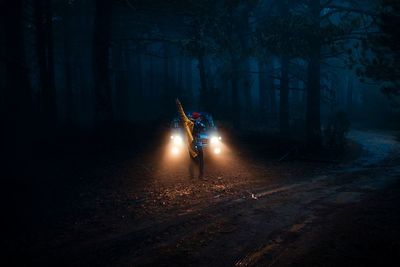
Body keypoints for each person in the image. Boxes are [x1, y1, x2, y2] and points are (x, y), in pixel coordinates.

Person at [175, 99, 206, 179]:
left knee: (201, 161)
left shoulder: (200, 124)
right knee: (194, 160)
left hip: (199, 144)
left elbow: (202, 129)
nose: (200, 118)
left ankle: (201, 176)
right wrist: (179, 105)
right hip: (192, 144)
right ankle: (191, 176)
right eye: (199, 117)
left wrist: (201, 127)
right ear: (196, 118)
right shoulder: (189, 122)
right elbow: (182, 114)